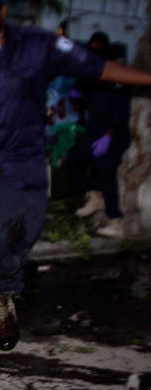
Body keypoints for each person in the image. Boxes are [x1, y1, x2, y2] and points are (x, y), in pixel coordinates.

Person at [0, 0, 151, 361]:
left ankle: (4, 301)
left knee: (5, 240)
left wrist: (147, 79)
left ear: (2, 10)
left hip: (18, 168)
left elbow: (96, 67)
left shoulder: (38, 45)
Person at [64, 32, 131, 238]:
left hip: (111, 136)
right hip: (93, 132)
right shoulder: (99, 77)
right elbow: (86, 92)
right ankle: (95, 195)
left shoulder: (121, 82)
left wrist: (108, 135)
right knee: (72, 163)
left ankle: (115, 221)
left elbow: (121, 112)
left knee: (106, 172)